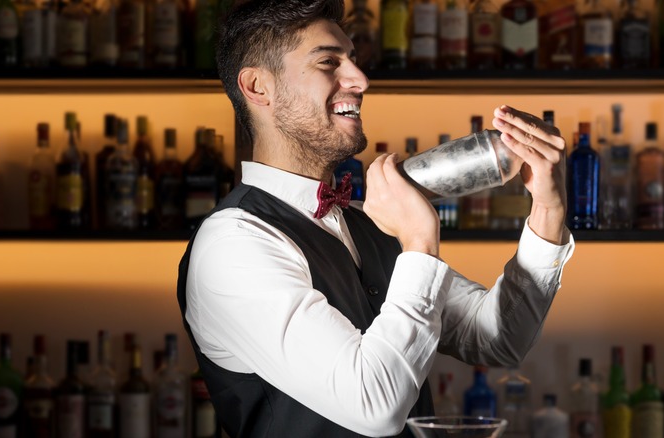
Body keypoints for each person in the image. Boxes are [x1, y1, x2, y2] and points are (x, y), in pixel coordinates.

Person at [177, 0, 574, 436]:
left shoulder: (365, 221)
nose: (360, 80)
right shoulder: (233, 243)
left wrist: (548, 210)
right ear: (258, 87)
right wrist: (419, 240)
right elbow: (374, 405)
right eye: (329, 61)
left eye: (354, 60)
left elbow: (499, 338)